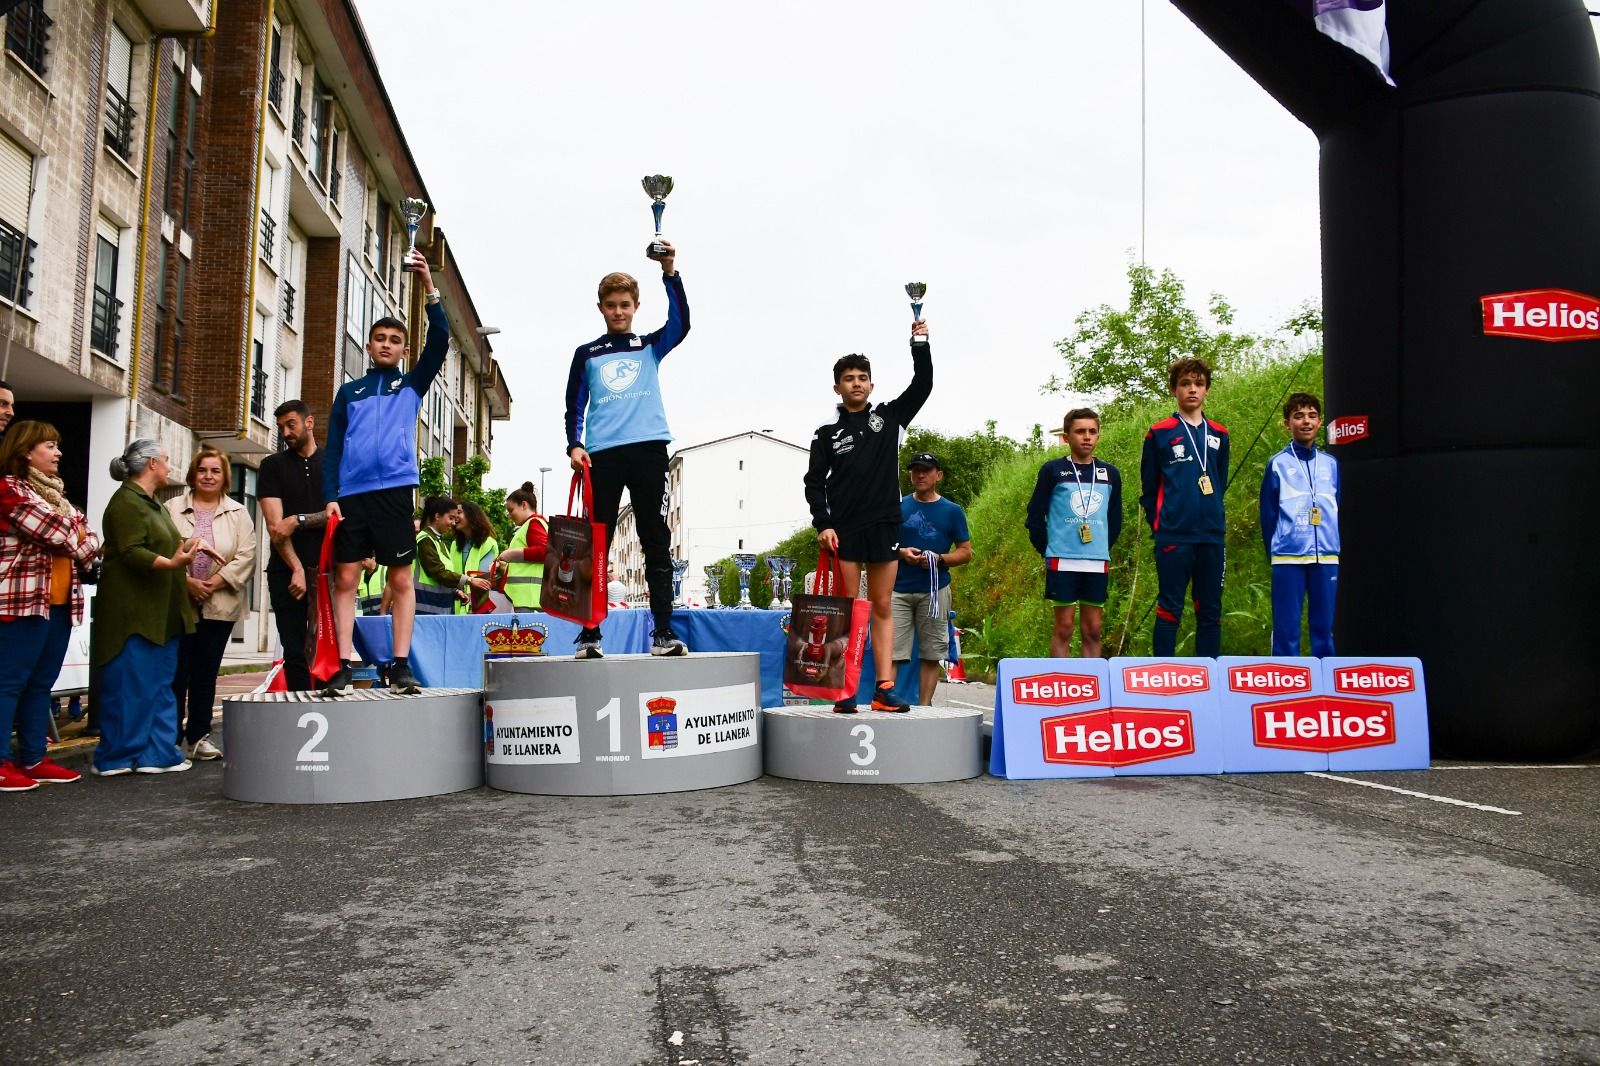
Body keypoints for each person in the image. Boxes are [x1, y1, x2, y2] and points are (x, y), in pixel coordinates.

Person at [321, 247, 448, 696]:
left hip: (395, 490)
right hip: (352, 496)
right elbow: (333, 447)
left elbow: (441, 342)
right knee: (347, 579)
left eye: (395, 341)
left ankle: (399, 665)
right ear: (370, 344)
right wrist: (330, 494)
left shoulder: (411, 384)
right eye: (380, 339)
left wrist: (429, 286)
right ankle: (341, 665)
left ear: (403, 349)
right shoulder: (349, 392)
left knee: (400, 578)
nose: (387, 345)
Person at [563, 241, 689, 658]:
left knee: (655, 538)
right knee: (595, 542)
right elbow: (574, 405)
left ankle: (664, 632)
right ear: (600, 307)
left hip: (649, 450)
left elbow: (681, 322)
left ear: (636, 306)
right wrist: (575, 444)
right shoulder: (587, 354)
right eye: (611, 305)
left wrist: (670, 272)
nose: (618, 311)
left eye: (625, 305)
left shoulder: (650, 346)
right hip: (603, 455)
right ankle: (590, 633)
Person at [803, 317, 933, 714]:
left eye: (862, 377)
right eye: (848, 378)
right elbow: (814, 482)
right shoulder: (826, 433)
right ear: (837, 387)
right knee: (846, 609)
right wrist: (823, 524)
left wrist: (920, 343)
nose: (856, 383)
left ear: (872, 385)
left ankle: (883, 689)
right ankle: (842, 689)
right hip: (844, 531)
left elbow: (923, 384)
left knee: (880, 606)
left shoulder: (890, 419)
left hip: (884, 526)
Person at [92, 439, 208, 776]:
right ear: (152, 464)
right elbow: (130, 551)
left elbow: (161, 545)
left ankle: (156, 752)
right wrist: (174, 562)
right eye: (167, 460)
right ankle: (116, 756)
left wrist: (187, 546)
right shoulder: (127, 502)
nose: (170, 466)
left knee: (157, 683)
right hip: (134, 613)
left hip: (159, 612)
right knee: (130, 684)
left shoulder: (151, 503)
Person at [0, 421, 101, 791]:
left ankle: (32, 758)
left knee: (40, 684)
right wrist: (74, 535)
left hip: (59, 604)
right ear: (26, 451)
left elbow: (90, 542)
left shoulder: (60, 498)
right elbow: (56, 532)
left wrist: (74, 536)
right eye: (49, 446)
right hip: (21, 602)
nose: (58, 453)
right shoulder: (9, 488)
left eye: (57, 446)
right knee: (9, 682)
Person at [165, 446, 256, 761]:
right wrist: (187, 583)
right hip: (180, 602)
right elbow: (162, 550)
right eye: (203, 470)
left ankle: (199, 736)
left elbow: (247, 556)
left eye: (215, 471)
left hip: (220, 605)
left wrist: (212, 584)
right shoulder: (171, 508)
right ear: (193, 473)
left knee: (205, 672)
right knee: (177, 671)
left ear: (224, 477)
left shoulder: (238, 512)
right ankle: (171, 739)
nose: (208, 476)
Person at [1140, 358, 1230, 657]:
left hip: (1211, 536)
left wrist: (1214, 513)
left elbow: (1218, 479)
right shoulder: (1159, 433)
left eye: (1199, 384)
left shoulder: (1220, 434)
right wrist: (1161, 524)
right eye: (1185, 384)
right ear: (1173, 390)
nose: (1192, 389)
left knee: (1210, 610)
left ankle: (1209, 679)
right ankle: (1164, 678)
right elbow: (1149, 489)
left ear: (1207, 390)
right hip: (1174, 536)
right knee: (1170, 607)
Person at [1026, 409, 1123, 658]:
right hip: (1063, 559)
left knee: (1093, 629)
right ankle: (1063, 686)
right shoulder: (1053, 470)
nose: (1087, 437)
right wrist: (1047, 548)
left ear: (1098, 436)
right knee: (1065, 627)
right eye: (1080, 431)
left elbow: (1114, 517)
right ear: (1067, 436)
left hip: (1096, 560)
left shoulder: (1110, 473)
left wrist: (1102, 548)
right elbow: (1035, 515)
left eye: (1092, 431)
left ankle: (1091, 688)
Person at [1260, 391, 1340, 656]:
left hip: (1326, 556)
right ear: (1287, 423)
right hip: (1287, 557)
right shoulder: (1278, 464)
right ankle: (1286, 686)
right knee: (1286, 628)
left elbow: (1335, 506)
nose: (1306, 421)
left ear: (1319, 422)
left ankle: (1326, 686)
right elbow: (1268, 515)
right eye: (1298, 416)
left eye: (1312, 416)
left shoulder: (1331, 464)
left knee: (1324, 628)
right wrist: (1275, 550)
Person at [890, 452, 972, 705]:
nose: (921, 475)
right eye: (916, 470)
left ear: (939, 475)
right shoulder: (898, 506)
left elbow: (966, 552)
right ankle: (886, 702)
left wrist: (940, 559)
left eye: (926, 470)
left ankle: (925, 708)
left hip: (935, 590)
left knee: (931, 653)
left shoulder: (952, 511)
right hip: (898, 589)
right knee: (892, 652)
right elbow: (884, 543)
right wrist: (901, 552)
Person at [257, 400, 326, 692]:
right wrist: (296, 568)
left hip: (328, 573)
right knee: (295, 651)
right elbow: (276, 528)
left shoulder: (333, 463)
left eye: (291, 424)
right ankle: (301, 712)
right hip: (286, 574)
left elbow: (340, 515)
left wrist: (298, 520)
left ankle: (329, 712)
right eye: (281, 427)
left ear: (309, 422)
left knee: (328, 653)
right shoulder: (271, 466)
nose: (285, 432)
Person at [415, 495, 482, 615]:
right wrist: (468, 580)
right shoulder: (425, 540)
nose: (453, 523)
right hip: (426, 608)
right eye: (451, 518)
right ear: (437, 516)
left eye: (455, 519)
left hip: (438, 607)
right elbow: (437, 572)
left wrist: (455, 591)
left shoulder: (438, 541)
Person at [495, 482, 548, 612]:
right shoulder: (532, 525)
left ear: (524, 505)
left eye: (511, 510)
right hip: (529, 598)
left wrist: (512, 554)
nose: (509, 515)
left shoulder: (533, 523)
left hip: (529, 599)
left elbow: (544, 551)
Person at [453, 500, 500, 614]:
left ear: (472, 515)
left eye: (459, 512)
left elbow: (483, 579)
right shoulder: (454, 545)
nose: (455, 516)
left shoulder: (489, 543)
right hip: (456, 608)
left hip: (477, 609)